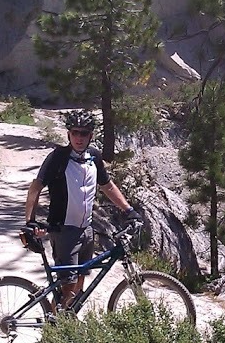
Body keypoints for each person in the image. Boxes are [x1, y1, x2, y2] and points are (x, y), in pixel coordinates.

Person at [23, 109, 140, 309]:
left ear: (90, 136)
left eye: (83, 133)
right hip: (64, 232)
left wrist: (128, 210)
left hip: (87, 230)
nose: (78, 137)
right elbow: (35, 188)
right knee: (67, 289)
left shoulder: (94, 157)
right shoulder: (58, 158)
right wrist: (30, 222)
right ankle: (53, 333)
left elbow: (107, 186)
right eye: (74, 132)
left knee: (79, 283)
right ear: (68, 134)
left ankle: (65, 324)